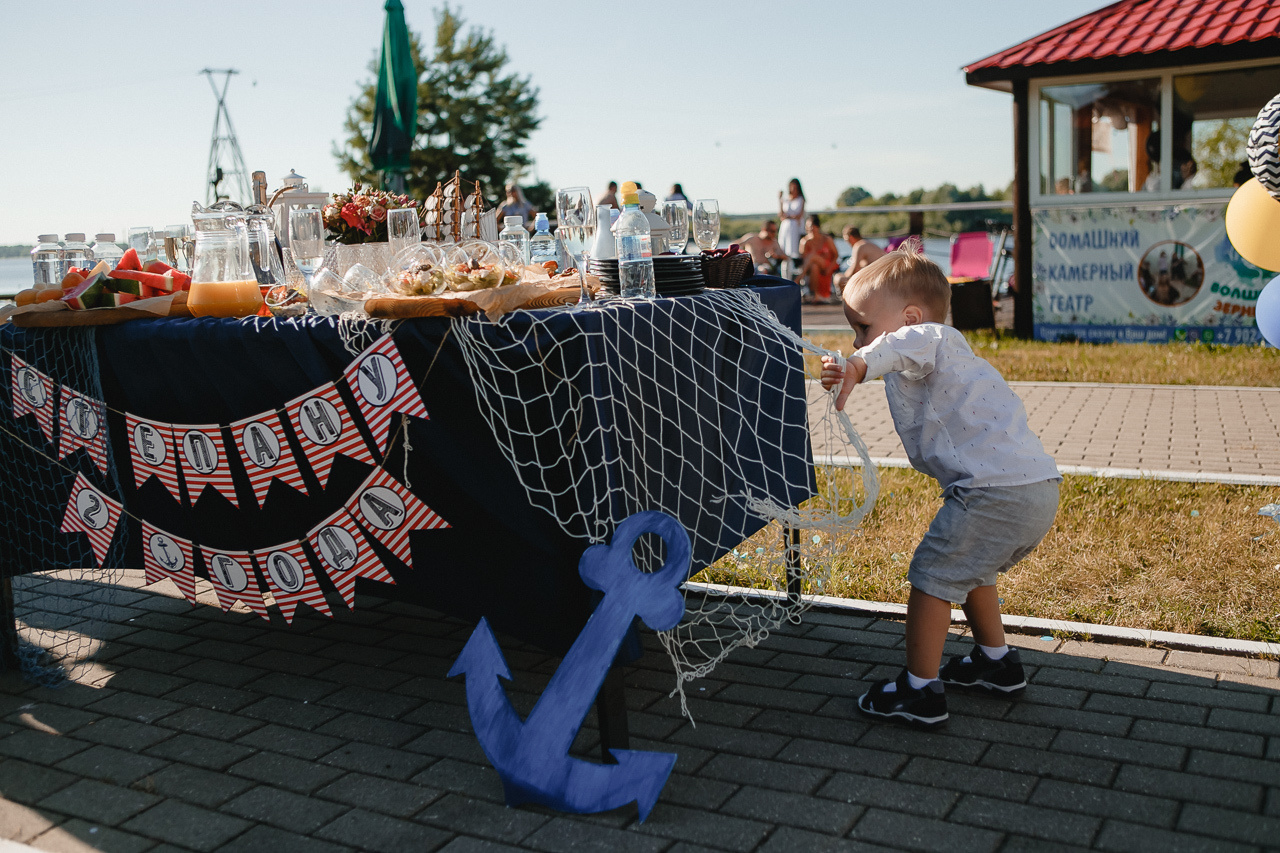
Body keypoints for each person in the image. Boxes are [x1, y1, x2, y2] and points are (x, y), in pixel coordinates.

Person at [818, 246, 1060, 728]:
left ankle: (920, 691)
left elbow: (893, 346)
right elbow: (892, 351)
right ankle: (996, 662)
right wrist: (858, 362)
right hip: (1033, 488)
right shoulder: (941, 351)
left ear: (910, 317)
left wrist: (857, 365)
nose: (857, 340)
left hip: (993, 492)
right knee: (971, 570)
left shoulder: (928, 335)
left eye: (862, 327)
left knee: (931, 577)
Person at [833, 225, 885, 294]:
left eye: (846, 240)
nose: (847, 243)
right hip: (881, 278)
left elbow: (855, 269)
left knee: (839, 278)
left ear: (850, 237)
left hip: (875, 280)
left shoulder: (859, 246)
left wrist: (843, 276)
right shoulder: (869, 243)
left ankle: (845, 298)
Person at [798, 214, 839, 302]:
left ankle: (799, 278)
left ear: (818, 227)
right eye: (808, 227)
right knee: (814, 266)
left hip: (827, 265)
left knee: (812, 255)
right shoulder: (804, 241)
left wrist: (830, 267)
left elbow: (836, 255)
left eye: (813, 226)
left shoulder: (826, 239)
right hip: (810, 268)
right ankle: (816, 295)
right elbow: (804, 260)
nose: (811, 229)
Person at [777, 179, 805, 278]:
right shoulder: (786, 199)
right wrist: (780, 199)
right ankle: (784, 276)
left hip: (795, 228)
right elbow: (781, 215)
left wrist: (788, 216)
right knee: (784, 250)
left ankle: (793, 274)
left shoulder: (801, 199)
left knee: (793, 251)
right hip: (785, 228)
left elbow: (799, 215)